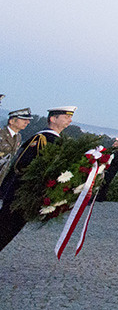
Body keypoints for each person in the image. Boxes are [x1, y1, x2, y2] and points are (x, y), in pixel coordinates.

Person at [0, 106, 75, 252]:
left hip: (27, 198)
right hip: (20, 195)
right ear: (53, 119)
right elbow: (21, 166)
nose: (70, 120)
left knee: (7, 232)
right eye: (66, 117)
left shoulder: (53, 140)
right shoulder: (43, 139)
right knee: (4, 230)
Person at [0, 108, 36, 186]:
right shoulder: (1, 134)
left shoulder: (18, 137)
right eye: (23, 119)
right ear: (12, 121)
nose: (27, 122)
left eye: (28, 120)